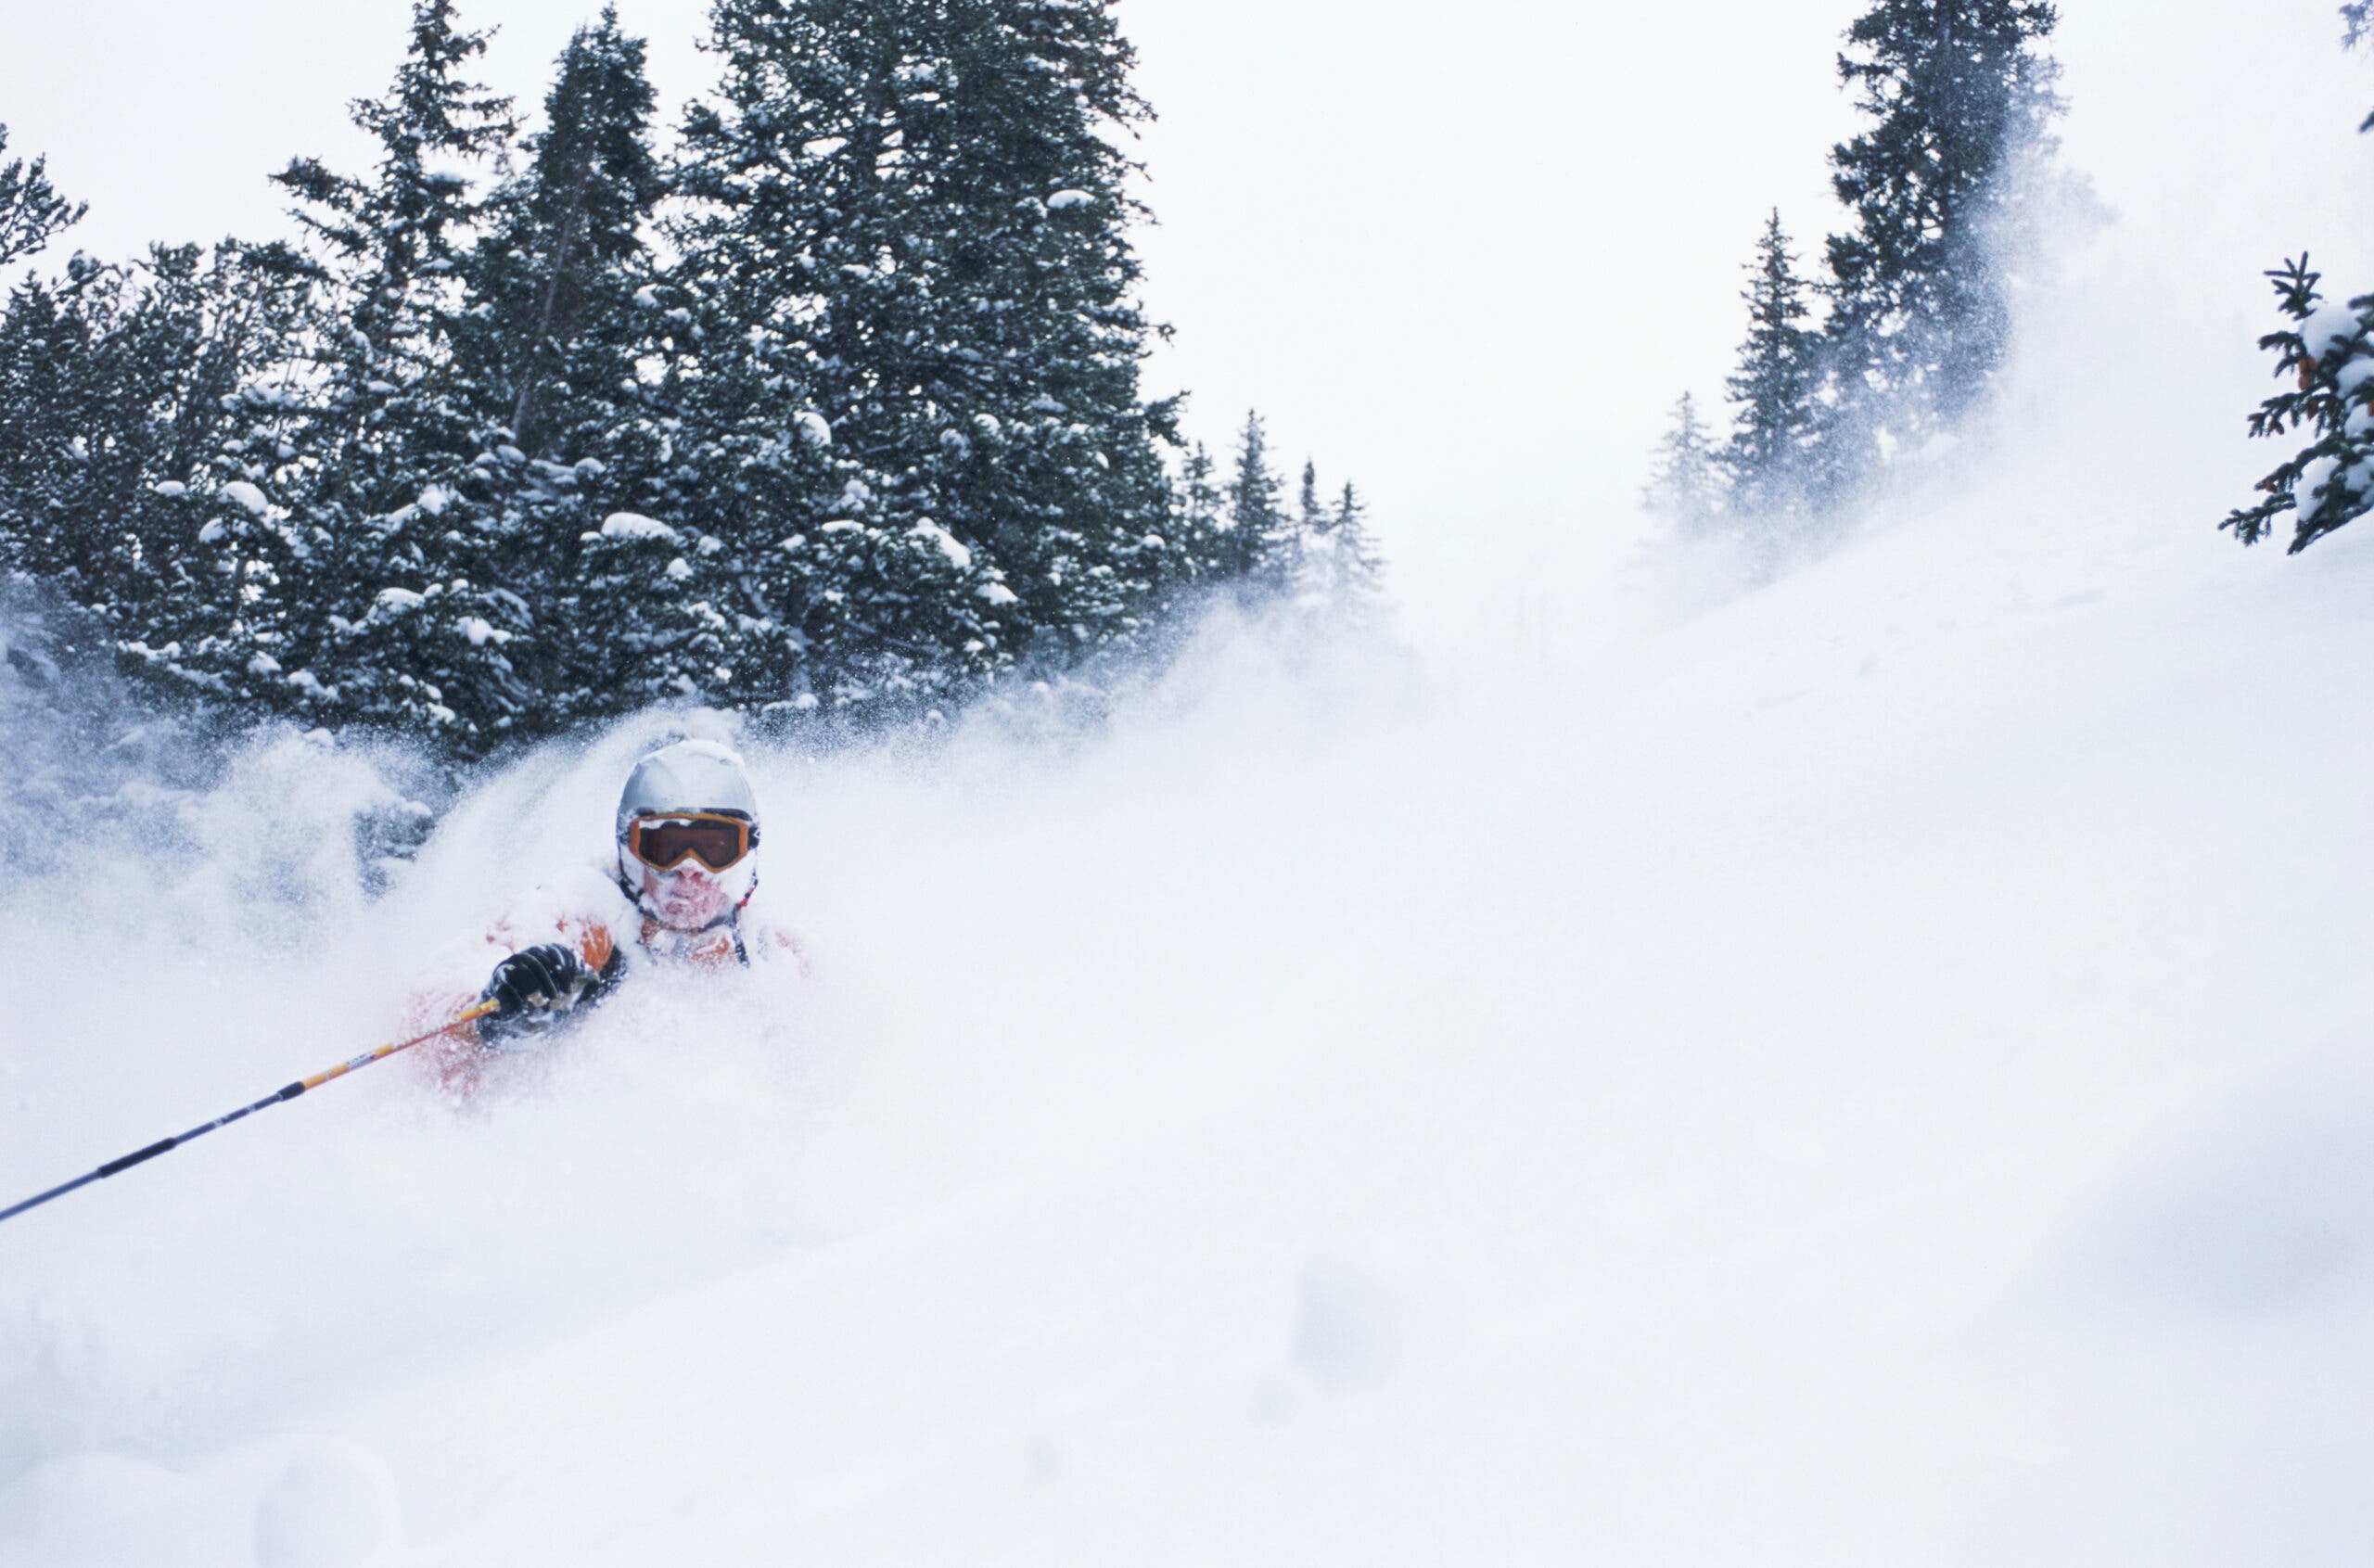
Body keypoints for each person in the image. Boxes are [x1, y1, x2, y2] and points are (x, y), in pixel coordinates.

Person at [426, 739, 803, 1086]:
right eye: (666, 848)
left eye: (716, 848)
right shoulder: (581, 916)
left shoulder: (770, 952)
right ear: (630, 850)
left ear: (746, 853)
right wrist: (492, 1014)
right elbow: (429, 1011)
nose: (690, 868)